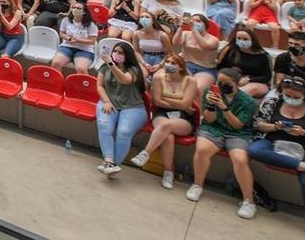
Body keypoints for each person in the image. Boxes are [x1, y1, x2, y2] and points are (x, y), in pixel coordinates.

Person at [247, 76, 305, 239]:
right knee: (254, 149)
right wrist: (275, 126)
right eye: (287, 96)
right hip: (275, 144)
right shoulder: (273, 103)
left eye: (296, 98)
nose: (291, 100)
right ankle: (303, 166)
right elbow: (257, 124)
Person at [187, 68, 259, 219]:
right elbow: (209, 119)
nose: (221, 85)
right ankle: (197, 185)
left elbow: (237, 125)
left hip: (238, 133)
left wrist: (224, 108)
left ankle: (248, 201)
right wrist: (212, 106)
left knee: (240, 159)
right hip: (214, 128)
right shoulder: (210, 91)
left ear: (237, 83)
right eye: (219, 82)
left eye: (227, 83)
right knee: (202, 149)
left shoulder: (248, 102)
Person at [130, 55, 198, 189]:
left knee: (166, 126)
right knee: (168, 135)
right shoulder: (158, 78)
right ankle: (168, 173)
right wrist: (180, 104)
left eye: (173, 63)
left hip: (184, 117)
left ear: (181, 67)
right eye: (167, 62)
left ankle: (146, 153)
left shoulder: (190, 81)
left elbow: (186, 104)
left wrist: (169, 100)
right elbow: (156, 101)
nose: (168, 65)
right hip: (161, 113)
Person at [94, 41, 148, 176]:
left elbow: (124, 79)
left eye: (121, 53)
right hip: (109, 102)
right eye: (115, 51)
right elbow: (100, 86)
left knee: (124, 132)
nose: (117, 55)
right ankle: (108, 161)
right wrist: (106, 101)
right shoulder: (104, 67)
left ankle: (114, 165)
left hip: (133, 106)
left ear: (127, 55)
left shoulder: (134, 70)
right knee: (104, 125)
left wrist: (111, 64)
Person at [216, 25, 272, 98]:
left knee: (240, 93)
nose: (241, 41)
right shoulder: (230, 50)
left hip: (256, 82)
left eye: (245, 39)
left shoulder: (263, 55)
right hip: (232, 79)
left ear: (253, 40)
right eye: (239, 38)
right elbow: (221, 67)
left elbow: (267, 76)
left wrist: (249, 80)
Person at [52, 0, 98, 74]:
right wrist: (69, 38)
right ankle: (58, 83)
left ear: (84, 12)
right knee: (56, 63)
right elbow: (62, 33)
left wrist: (78, 41)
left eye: (79, 8)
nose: (75, 9)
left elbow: (92, 41)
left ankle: (83, 85)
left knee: (81, 68)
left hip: (84, 50)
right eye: (74, 7)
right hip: (67, 46)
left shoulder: (91, 24)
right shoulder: (66, 20)